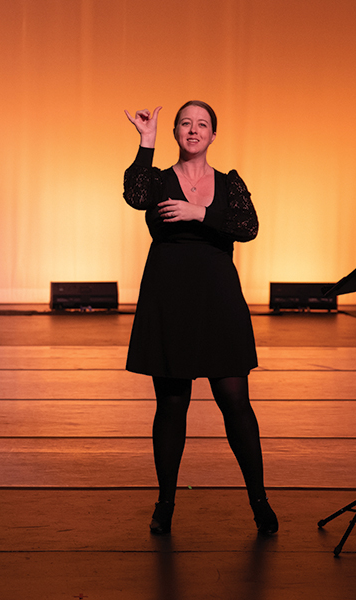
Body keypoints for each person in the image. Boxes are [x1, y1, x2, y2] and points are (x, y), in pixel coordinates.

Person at [122, 101, 277, 536]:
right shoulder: (155, 180)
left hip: (218, 299)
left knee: (235, 402)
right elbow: (135, 196)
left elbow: (248, 227)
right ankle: (166, 502)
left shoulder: (229, 183)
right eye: (186, 123)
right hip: (169, 298)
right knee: (172, 404)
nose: (194, 130)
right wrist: (145, 141)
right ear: (175, 131)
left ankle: (260, 501)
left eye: (202, 124)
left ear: (213, 135)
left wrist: (199, 213)